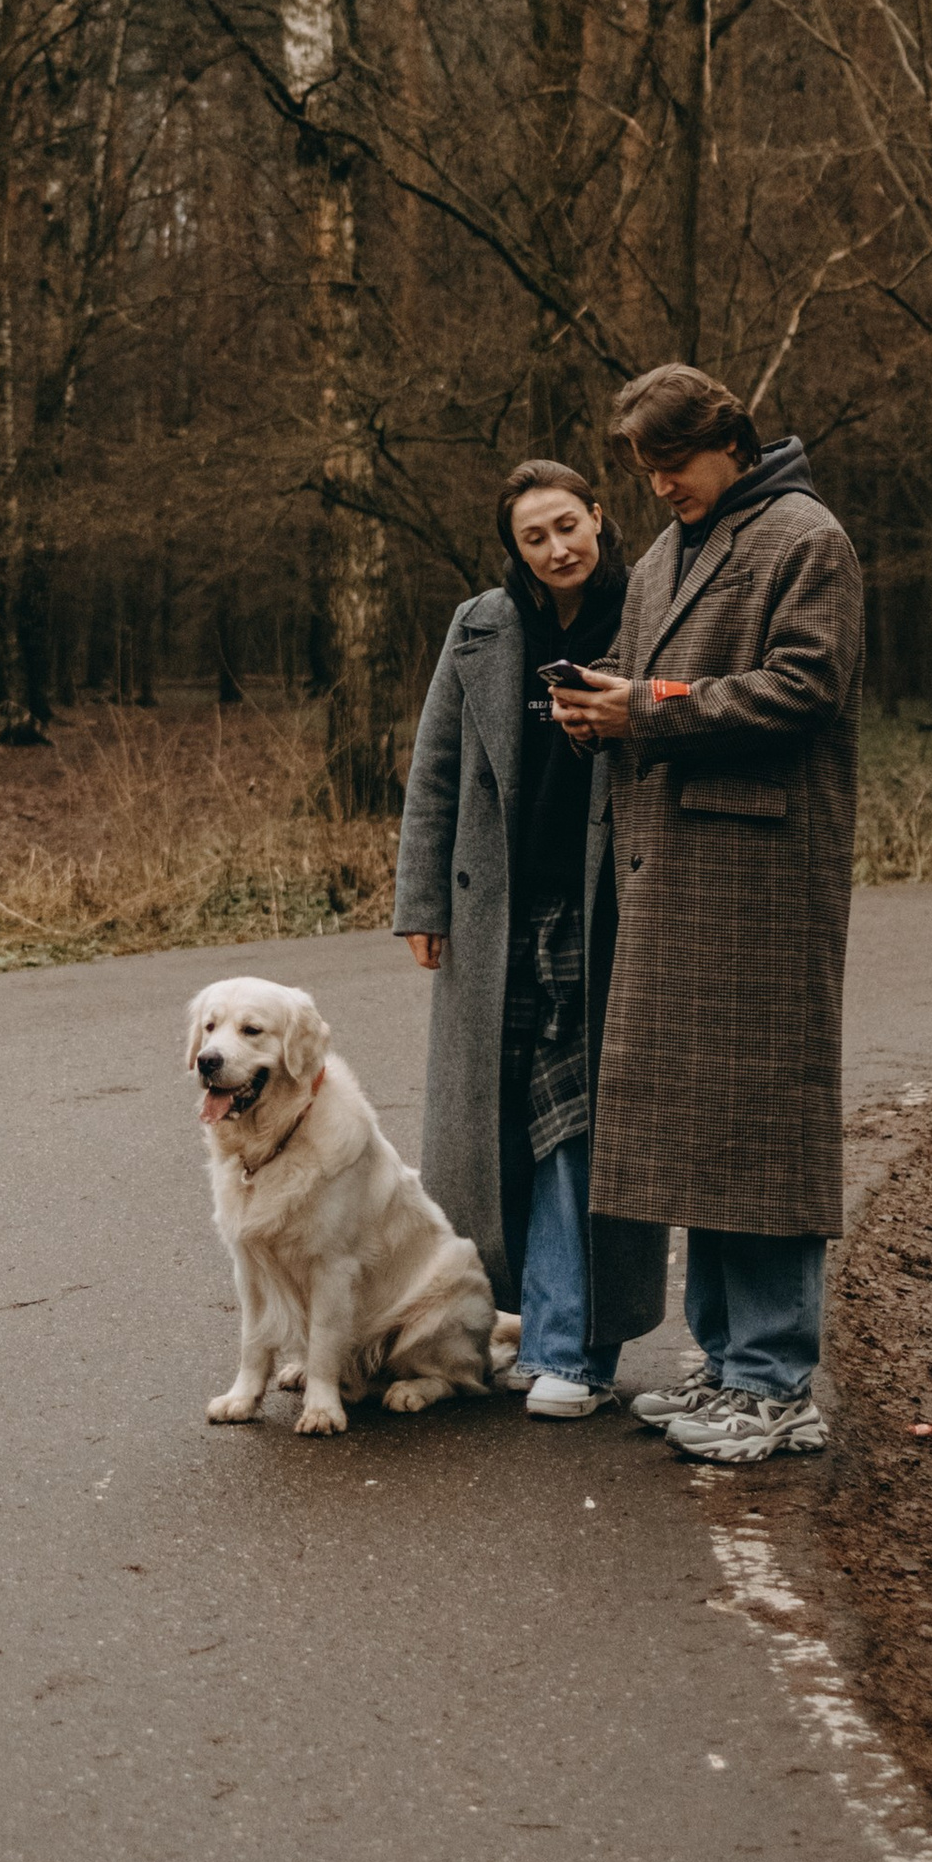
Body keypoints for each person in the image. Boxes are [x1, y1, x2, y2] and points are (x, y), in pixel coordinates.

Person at [549, 365, 864, 1471]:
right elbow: (644, 687)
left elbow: (804, 686)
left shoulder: (802, 537)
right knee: (698, 1124)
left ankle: (779, 1382)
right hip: (671, 873)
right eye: (643, 468)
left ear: (725, 441)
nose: (658, 485)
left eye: (670, 463)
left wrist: (649, 708)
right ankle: (731, 1364)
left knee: (761, 1121)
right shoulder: (665, 554)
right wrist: (601, 708)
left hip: (764, 877)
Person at [393, 462, 666, 1416]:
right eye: (534, 538)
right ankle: (529, 1321)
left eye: (569, 525)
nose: (558, 549)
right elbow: (435, 772)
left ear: (599, 515)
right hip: (498, 913)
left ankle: (570, 1349)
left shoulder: (649, 611)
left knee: (577, 1128)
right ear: (514, 552)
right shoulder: (481, 625)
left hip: (609, 913)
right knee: (505, 1123)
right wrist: (422, 904)